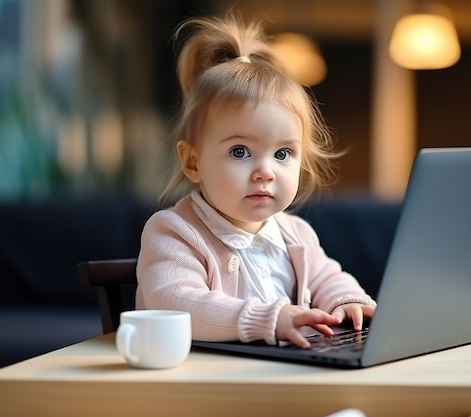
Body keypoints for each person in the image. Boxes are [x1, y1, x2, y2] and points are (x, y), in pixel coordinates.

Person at [136, 11, 376, 348]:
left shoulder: (297, 234)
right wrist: (270, 320)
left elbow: (327, 277)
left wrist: (346, 300)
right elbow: (174, 302)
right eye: (239, 152)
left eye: (282, 154)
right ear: (193, 162)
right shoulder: (175, 232)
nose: (266, 171)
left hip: (283, 374)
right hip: (203, 383)